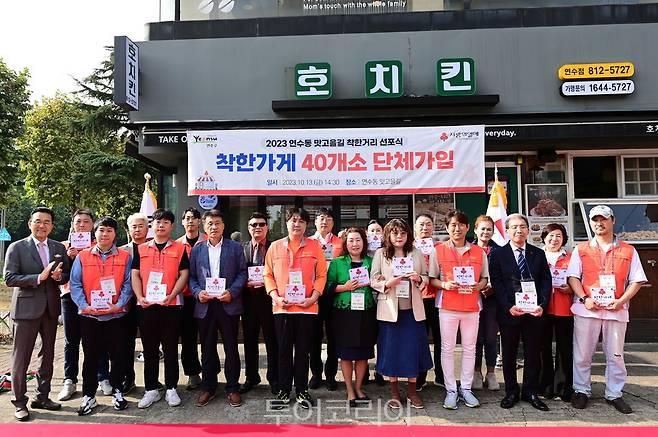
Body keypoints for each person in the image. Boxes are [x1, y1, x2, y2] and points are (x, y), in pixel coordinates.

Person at [567, 205, 647, 414]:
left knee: (616, 355)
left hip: (616, 310)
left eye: (603, 219)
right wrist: (585, 298)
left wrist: (622, 300)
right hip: (588, 309)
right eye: (595, 220)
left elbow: (637, 280)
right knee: (583, 354)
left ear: (612, 221)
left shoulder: (628, 250)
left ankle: (614, 394)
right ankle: (581, 391)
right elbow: (573, 277)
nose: (599, 224)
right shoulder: (581, 249)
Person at [3, 206, 69, 421]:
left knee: (47, 355)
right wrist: (38, 278)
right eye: (38, 221)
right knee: (21, 357)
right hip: (25, 310)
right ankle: (19, 402)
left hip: (50, 309)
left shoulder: (58, 247)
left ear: (52, 226)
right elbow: (10, 278)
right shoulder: (17, 247)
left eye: (47, 222)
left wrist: (59, 276)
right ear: (30, 223)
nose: (42, 225)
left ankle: (42, 396)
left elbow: (65, 274)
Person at [264, 208, 327, 410]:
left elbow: (321, 275)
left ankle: (301, 390)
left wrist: (314, 297)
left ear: (306, 224)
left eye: (301, 221)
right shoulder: (274, 247)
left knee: (303, 352)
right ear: (286, 222)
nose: (296, 224)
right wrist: (275, 296)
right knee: (283, 351)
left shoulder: (315, 246)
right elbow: (268, 275)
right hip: (282, 308)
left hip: (306, 309)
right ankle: (284, 390)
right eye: (293, 220)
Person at [69, 216, 133, 415]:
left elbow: (128, 284)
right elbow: (76, 284)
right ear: (94, 233)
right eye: (101, 230)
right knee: (90, 357)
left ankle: (117, 391)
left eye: (109, 231)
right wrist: (84, 306)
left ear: (115, 234)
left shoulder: (124, 256)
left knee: (118, 355)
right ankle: (89, 395)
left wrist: (119, 305)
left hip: (116, 317)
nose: (105, 234)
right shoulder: (83, 256)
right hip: (90, 317)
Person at [489, 213, 552, 411]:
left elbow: (545, 281)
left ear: (528, 229)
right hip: (510, 312)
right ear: (507, 231)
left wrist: (542, 304)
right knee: (508, 354)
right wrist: (508, 306)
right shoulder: (498, 254)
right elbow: (497, 283)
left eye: (522, 226)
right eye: (514, 227)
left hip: (534, 312)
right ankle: (511, 391)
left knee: (533, 353)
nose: (518, 230)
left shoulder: (537, 253)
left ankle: (530, 391)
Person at [371, 218, 432, 410]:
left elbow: (427, 278)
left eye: (403, 233)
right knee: (392, 353)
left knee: (412, 352)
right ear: (388, 235)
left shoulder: (416, 253)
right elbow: (373, 280)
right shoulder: (381, 254)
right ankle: (394, 391)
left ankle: (412, 391)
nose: (399, 237)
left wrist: (418, 278)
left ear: (408, 235)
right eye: (395, 233)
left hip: (412, 311)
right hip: (390, 312)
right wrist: (388, 283)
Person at [131, 208, 189, 409]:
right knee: (149, 349)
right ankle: (151, 390)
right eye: (158, 222)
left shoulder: (180, 249)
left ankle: (172, 388)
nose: (161, 225)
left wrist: (172, 295)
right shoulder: (141, 249)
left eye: (165, 222)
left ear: (172, 226)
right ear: (152, 226)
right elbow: (135, 275)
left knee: (171, 348)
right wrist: (139, 297)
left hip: (171, 305)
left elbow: (184, 275)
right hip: (146, 306)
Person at [189, 209, 247, 407]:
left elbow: (242, 273)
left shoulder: (235, 248)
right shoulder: (197, 250)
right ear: (203, 226)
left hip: (227, 303)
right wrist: (197, 292)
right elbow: (192, 278)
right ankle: (209, 387)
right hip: (205, 305)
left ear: (223, 226)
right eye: (210, 223)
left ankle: (232, 387)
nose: (214, 227)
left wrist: (232, 291)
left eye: (217, 223)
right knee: (207, 348)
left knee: (231, 348)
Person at [433, 210, 489, 410]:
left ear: (467, 227)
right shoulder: (438, 250)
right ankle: (450, 390)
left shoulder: (479, 252)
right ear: (447, 228)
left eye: (461, 225)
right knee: (447, 349)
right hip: (447, 306)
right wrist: (444, 285)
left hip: (472, 307)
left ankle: (466, 389)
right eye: (453, 225)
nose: (457, 229)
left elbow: (485, 278)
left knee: (470, 348)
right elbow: (432, 278)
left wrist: (479, 286)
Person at [58, 209, 111, 401]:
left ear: (92, 225)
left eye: (86, 222)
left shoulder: (100, 245)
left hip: (95, 299)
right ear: (73, 224)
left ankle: (103, 376)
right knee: (71, 341)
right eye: (78, 221)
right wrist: (68, 258)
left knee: (98, 339)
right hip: (69, 296)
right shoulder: (63, 247)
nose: (82, 225)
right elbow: (58, 275)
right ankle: (69, 380)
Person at [326, 227, 377, 407]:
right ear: (346, 244)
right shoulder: (337, 263)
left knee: (363, 353)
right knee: (346, 355)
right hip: (344, 313)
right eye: (351, 241)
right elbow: (328, 287)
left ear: (364, 242)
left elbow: (379, 282)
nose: (355, 244)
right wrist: (345, 287)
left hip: (366, 312)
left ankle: (359, 387)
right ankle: (349, 390)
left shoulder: (372, 262)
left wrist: (374, 283)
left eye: (358, 240)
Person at [239, 212, 278, 395]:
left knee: (272, 341)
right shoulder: (242, 248)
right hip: (248, 301)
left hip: (269, 300)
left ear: (267, 228)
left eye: (261, 224)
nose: (258, 228)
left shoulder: (275, 248)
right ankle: (251, 377)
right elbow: (237, 272)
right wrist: (243, 283)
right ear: (249, 228)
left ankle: (274, 378)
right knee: (249, 341)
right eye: (254, 225)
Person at [538, 223, 573, 402]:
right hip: (542, 308)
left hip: (564, 307)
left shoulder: (571, 257)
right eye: (551, 235)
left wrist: (571, 289)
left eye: (558, 236)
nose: (554, 239)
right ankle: (545, 387)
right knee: (542, 347)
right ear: (544, 237)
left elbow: (578, 279)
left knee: (564, 348)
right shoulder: (536, 255)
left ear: (564, 239)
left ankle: (563, 388)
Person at [308, 207, 341, 391]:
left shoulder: (340, 243)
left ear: (333, 223)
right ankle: (315, 374)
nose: (324, 221)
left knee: (333, 336)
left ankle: (331, 375)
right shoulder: (308, 242)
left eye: (328, 218)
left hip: (334, 293)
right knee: (314, 336)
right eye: (321, 218)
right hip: (313, 294)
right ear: (315, 222)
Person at [118, 212, 149, 394]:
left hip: (149, 302)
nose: (137, 230)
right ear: (129, 230)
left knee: (150, 343)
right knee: (126, 343)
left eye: (141, 226)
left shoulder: (155, 248)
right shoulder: (121, 252)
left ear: (147, 228)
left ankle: (151, 382)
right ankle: (128, 379)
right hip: (126, 304)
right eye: (134, 226)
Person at [176, 207, 206, 390]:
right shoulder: (176, 245)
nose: (191, 221)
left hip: (205, 296)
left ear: (200, 222)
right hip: (184, 298)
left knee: (207, 336)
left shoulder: (208, 242)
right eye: (187, 218)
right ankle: (193, 374)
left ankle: (210, 372)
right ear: (182, 222)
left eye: (194, 218)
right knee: (188, 338)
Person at [413, 214, 443, 390]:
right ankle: (420, 376)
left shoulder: (439, 247)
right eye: (421, 225)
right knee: (420, 340)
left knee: (441, 340)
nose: (425, 228)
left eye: (428, 225)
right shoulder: (410, 248)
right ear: (415, 228)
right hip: (418, 299)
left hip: (439, 298)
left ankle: (441, 376)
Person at [471, 215, 501, 391]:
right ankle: (476, 372)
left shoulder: (500, 251)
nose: (485, 232)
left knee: (490, 337)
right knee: (474, 337)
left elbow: (504, 276)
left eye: (489, 229)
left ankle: (491, 373)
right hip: (471, 298)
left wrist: (493, 287)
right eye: (482, 228)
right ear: (475, 229)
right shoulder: (468, 249)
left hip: (492, 300)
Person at [365, 219, 386, 386]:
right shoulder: (361, 253)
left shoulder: (387, 253)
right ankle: (363, 369)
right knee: (366, 334)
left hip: (383, 298)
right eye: (371, 231)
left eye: (378, 231)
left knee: (381, 335)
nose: (374, 234)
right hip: (364, 299)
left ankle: (380, 370)